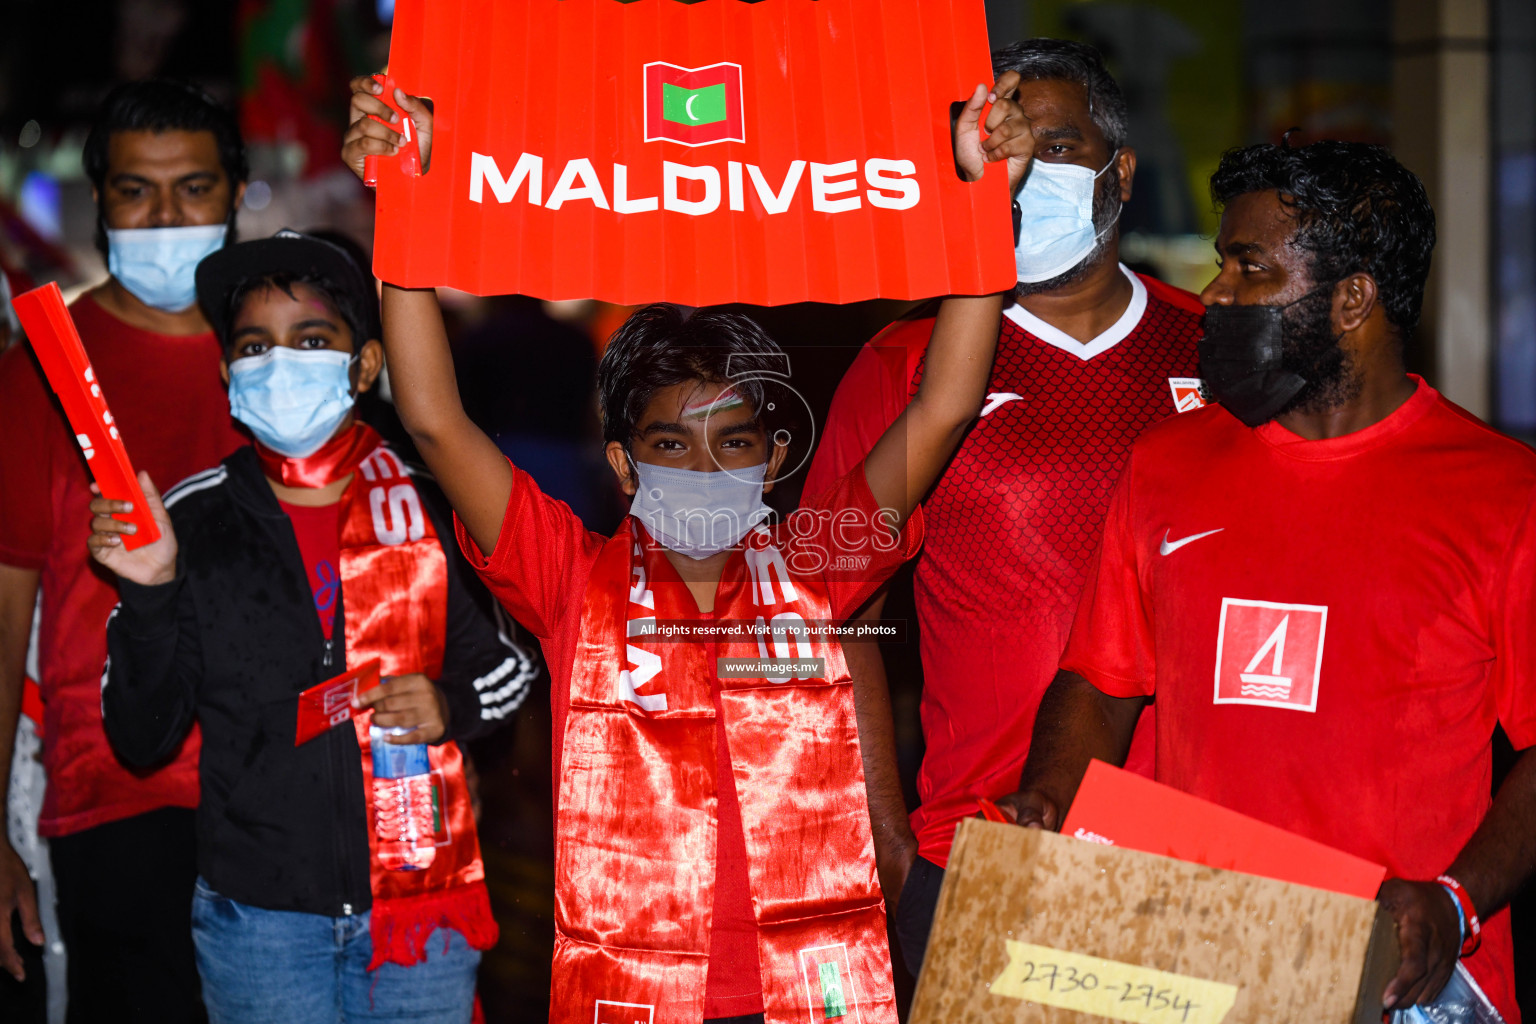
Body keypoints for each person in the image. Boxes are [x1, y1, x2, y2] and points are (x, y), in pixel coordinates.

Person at [342, 70, 1024, 1023]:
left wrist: (981, 198)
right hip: (630, 997)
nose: (704, 469)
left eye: (733, 443)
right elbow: (435, 419)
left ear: (773, 458)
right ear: (624, 464)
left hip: (815, 990)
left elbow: (945, 405)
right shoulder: (571, 577)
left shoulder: (820, 562)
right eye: (672, 444)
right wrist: (404, 202)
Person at [1001, 138, 1536, 1020]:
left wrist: (1456, 899)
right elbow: (1100, 680)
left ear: (1353, 298)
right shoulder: (1169, 464)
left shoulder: (1501, 493)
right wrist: (1049, 803)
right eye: (1222, 266)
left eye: (1250, 269)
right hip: (1190, 954)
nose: (1215, 295)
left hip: (1395, 974)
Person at [802, 38, 1203, 974]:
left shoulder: (1219, 355)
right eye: (996, 144)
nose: (1023, 169)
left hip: (1201, 855)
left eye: (1053, 146)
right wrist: (892, 849)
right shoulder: (906, 367)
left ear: (1123, 172)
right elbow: (828, 610)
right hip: (983, 846)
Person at [87, 230, 536, 1022]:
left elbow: (512, 668)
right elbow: (141, 735)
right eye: (254, 345)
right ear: (228, 373)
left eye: (312, 339)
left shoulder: (429, 504)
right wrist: (151, 592)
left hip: (419, 913)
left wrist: (450, 706)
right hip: (257, 921)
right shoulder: (189, 522)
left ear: (363, 366)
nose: (279, 363)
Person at [0, 79, 250, 1018]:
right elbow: (7, 606)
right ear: (98, 200)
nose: (164, 215)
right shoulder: (39, 375)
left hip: (283, 793)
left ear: (234, 193)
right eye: (135, 190)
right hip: (115, 792)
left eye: (192, 187)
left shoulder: (285, 357)